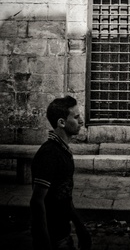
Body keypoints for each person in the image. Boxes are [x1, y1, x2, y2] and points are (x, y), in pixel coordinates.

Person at [30, 95, 92, 250]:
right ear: (62, 122)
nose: (81, 122)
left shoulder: (64, 151)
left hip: (64, 233)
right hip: (54, 238)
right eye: (76, 117)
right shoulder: (49, 154)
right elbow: (37, 202)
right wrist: (45, 243)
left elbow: (64, 195)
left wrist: (79, 226)